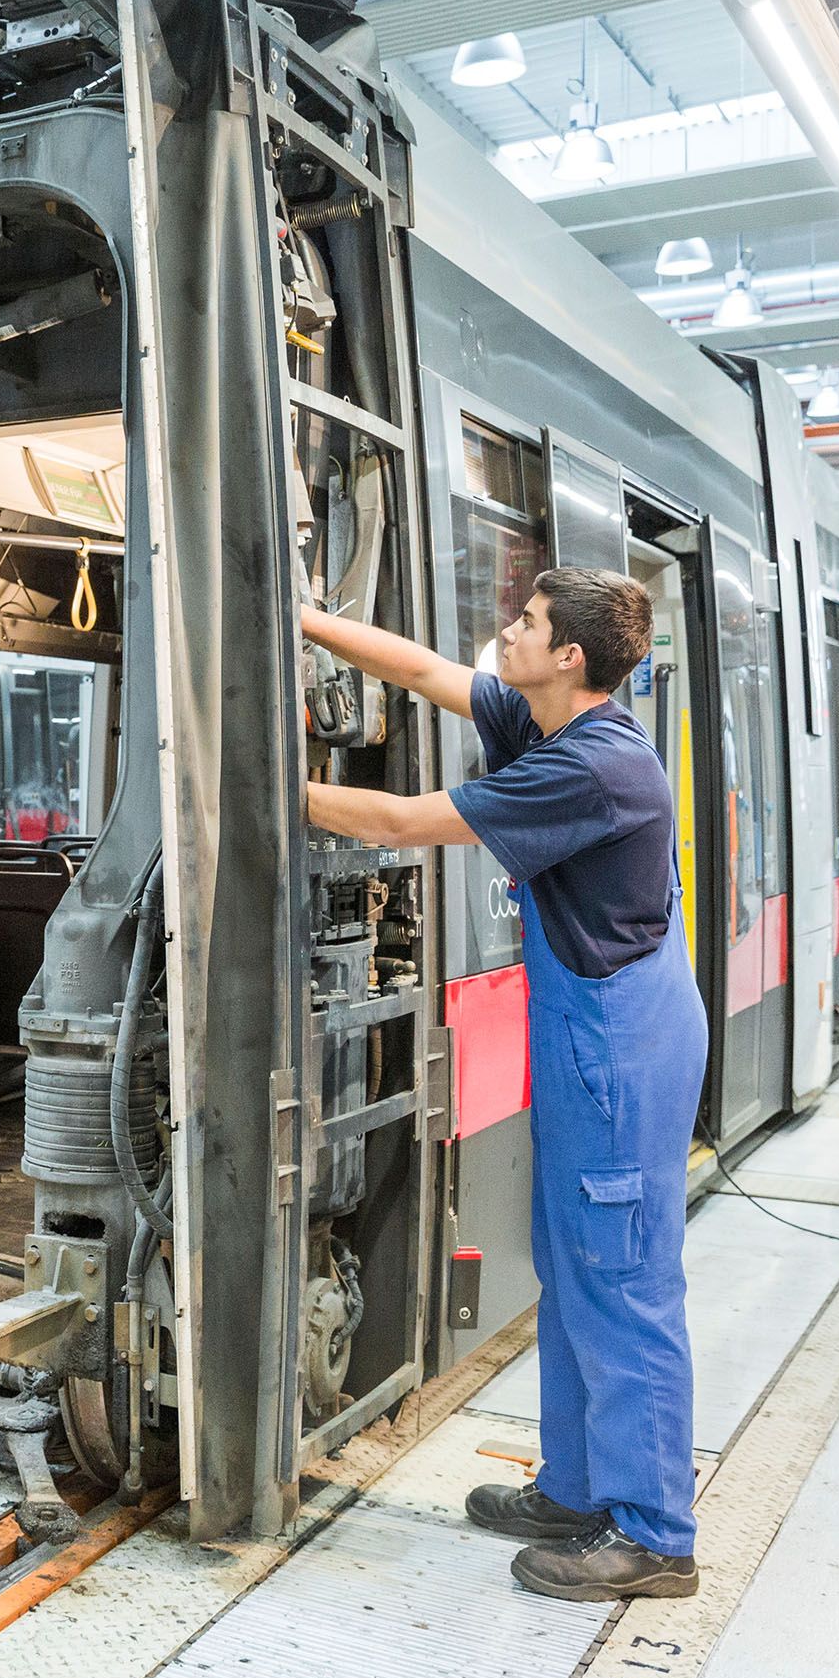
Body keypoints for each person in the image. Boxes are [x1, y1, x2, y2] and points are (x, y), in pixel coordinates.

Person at [300, 568, 704, 1603]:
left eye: (524, 623)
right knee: (573, 1274)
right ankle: (576, 1491)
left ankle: (654, 1532)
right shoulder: (544, 718)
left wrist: (249, 781)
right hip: (591, 1035)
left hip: (620, 1051)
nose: (505, 632)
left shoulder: (593, 767)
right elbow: (430, 671)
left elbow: (395, 823)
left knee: (622, 1282)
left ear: (569, 657)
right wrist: (302, 622)